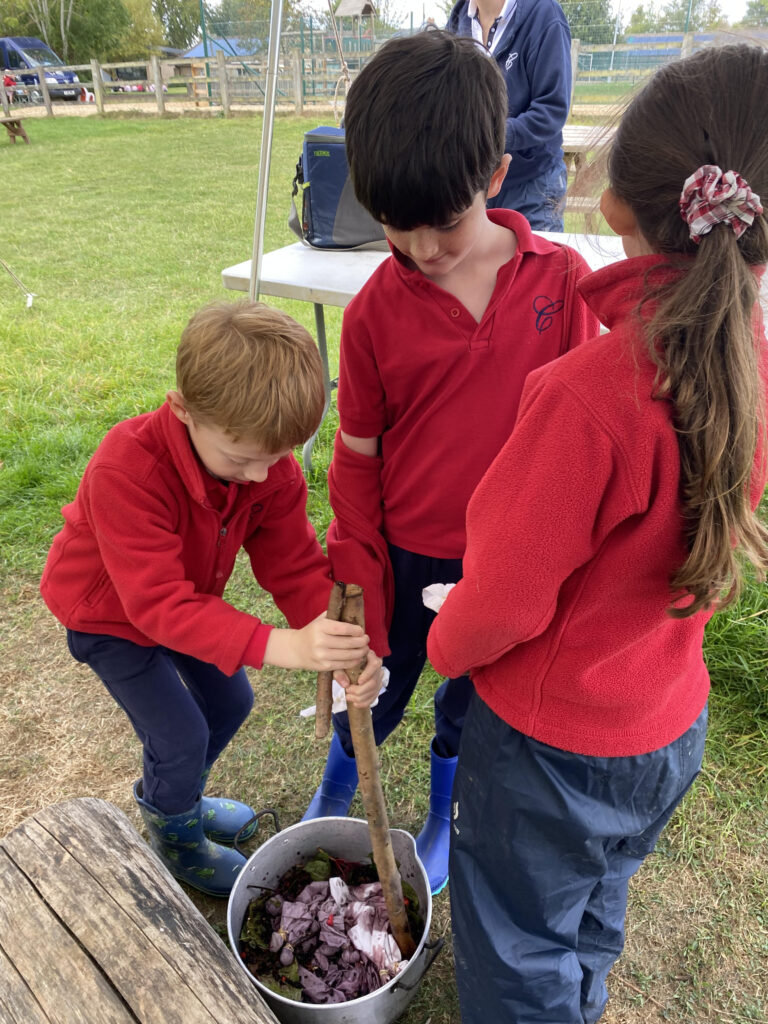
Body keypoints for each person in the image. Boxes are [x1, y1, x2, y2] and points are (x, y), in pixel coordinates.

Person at [426, 43, 768, 1023]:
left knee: (517, 939)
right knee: (593, 899)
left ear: (616, 200)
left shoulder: (586, 399)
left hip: (548, 753)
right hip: (666, 728)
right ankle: (581, 996)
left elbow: (502, 601)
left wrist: (446, 644)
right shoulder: (749, 366)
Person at [301, 29, 600, 896]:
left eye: (447, 224)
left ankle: (440, 815)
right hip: (400, 555)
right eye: (399, 229)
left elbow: (578, 438)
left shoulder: (561, 281)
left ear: (497, 178)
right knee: (375, 692)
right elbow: (356, 455)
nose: (426, 250)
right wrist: (356, 561)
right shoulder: (372, 319)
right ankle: (337, 784)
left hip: (503, 564)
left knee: (467, 705)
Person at [40, 300, 382, 897]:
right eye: (241, 458)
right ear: (183, 410)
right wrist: (284, 645)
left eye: (275, 457)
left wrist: (341, 646)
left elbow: (294, 563)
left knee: (230, 705)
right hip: (110, 617)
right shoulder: (127, 468)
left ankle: (180, 798)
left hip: (188, 605)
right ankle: (173, 832)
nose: (259, 475)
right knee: (180, 736)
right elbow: (155, 606)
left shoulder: (267, 466)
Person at [447, 0, 572, 231]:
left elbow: (551, 110)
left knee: (537, 264)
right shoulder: (458, 19)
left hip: (531, 183)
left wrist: (489, 137)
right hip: (475, 183)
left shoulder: (544, 16)